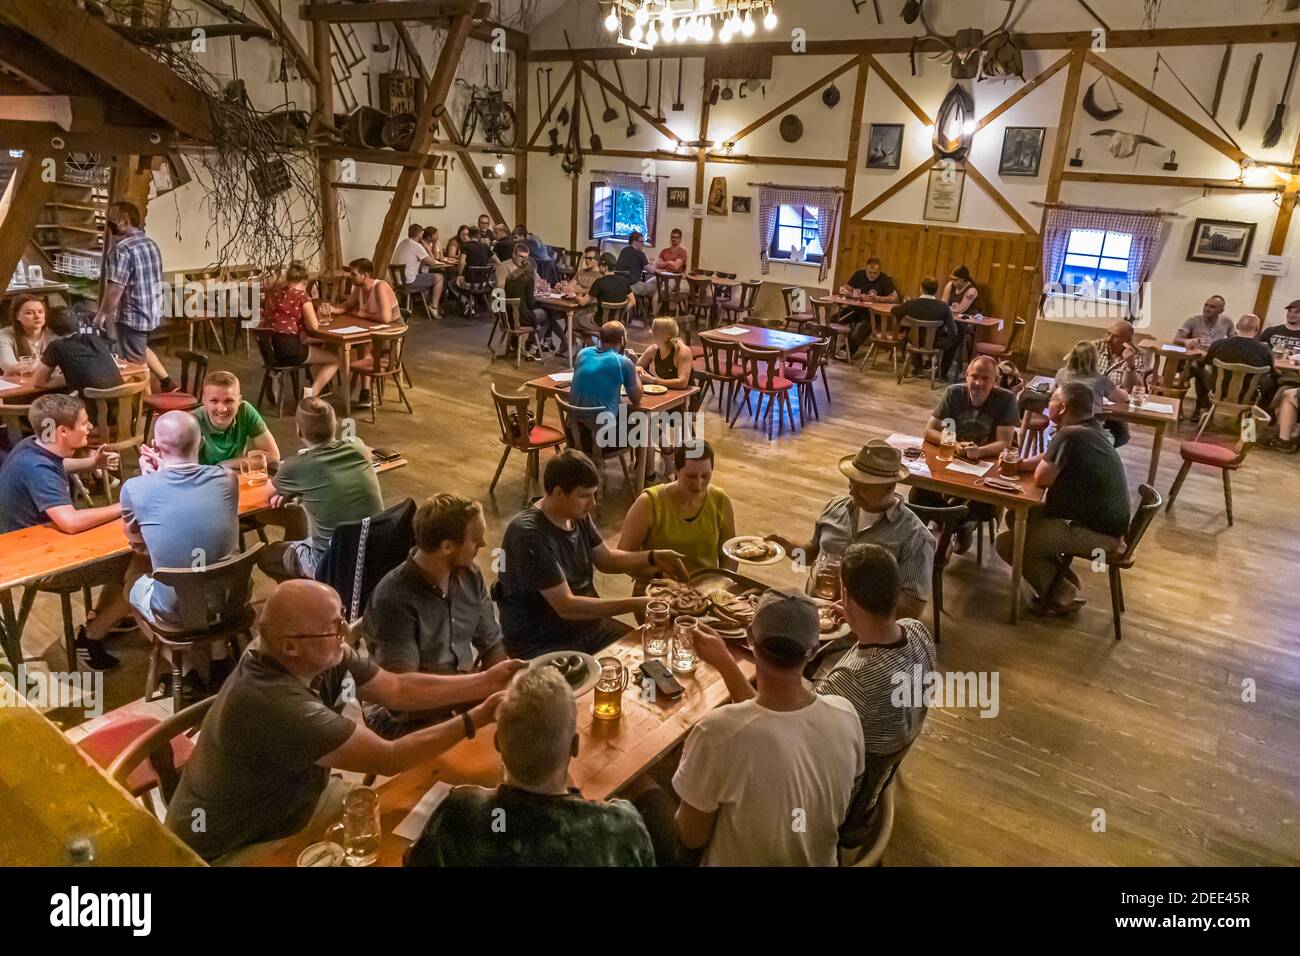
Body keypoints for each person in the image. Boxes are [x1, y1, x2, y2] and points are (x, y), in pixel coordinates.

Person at [164, 579, 526, 863]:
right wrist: (477, 717)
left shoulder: (318, 653)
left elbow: (397, 689)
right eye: (334, 627)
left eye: (341, 618)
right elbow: (389, 758)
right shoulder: (275, 702)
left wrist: (485, 681)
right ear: (290, 646)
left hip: (302, 803)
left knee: (428, 834)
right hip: (235, 846)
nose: (346, 632)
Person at [696, 543, 935, 820]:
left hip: (829, 804)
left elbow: (773, 727)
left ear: (845, 594)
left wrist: (724, 661)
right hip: (873, 781)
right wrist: (858, 620)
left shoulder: (850, 681)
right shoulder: (918, 632)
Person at [668, 589, 865, 866]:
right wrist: (724, 661)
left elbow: (691, 838)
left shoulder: (715, 733)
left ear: (749, 637)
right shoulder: (846, 715)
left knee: (645, 793)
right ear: (813, 650)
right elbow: (776, 724)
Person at [406, 665, 655, 866]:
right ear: (575, 746)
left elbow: (412, 859)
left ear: (497, 743)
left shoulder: (459, 814)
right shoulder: (621, 827)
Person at [492, 450, 687, 659]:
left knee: (653, 656)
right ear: (558, 492)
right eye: (585, 495)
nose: (592, 502)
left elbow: (606, 560)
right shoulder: (527, 534)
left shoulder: (574, 513)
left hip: (587, 628)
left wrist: (654, 556)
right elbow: (567, 607)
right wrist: (640, 603)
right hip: (543, 643)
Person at [0, 394, 129, 669]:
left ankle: (105, 617)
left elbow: (58, 463)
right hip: (42, 565)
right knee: (142, 561)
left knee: (129, 551)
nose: (90, 427)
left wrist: (92, 464)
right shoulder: (38, 470)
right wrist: (125, 505)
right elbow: (69, 522)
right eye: (83, 423)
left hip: (20, 546)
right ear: (61, 431)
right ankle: (91, 637)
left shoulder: (30, 445)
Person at [363, 494, 507, 732]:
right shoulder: (394, 600)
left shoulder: (470, 575)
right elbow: (402, 698)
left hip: (462, 693)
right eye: (475, 539)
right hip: (407, 717)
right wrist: (480, 687)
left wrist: (504, 686)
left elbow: (492, 644)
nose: (482, 544)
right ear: (447, 546)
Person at [122, 411, 239, 694]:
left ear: (156, 446)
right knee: (209, 568)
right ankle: (219, 656)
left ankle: (185, 668)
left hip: (175, 609)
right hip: (231, 598)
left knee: (130, 582)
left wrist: (153, 476)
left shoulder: (135, 488)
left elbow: (137, 543)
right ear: (200, 443)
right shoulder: (227, 479)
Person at [996, 380, 1130, 616]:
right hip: (1109, 526)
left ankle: (1061, 594)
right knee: (1017, 517)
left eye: (1052, 400)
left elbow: (1042, 479)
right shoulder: (1091, 429)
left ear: (1064, 407)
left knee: (1009, 543)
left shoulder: (1069, 434)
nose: (1048, 405)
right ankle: (1061, 580)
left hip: (1097, 533)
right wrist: (1020, 465)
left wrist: (1025, 468)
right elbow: (1049, 458)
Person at [766, 440, 934, 620]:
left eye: (863, 486)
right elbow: (813, 554)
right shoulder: (835, 507)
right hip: (814, 616)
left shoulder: (915, 536)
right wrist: (788, 548)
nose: (852, 492)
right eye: (851, 483)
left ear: (890, 486)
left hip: (862, 634)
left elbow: (911, 610)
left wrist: (855, 583)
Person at [257, 397, 381, 580]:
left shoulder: (295, 467)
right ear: (335, 425)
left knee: (267, 556)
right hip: (373, 553)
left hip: (329, 562)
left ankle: (300, 601)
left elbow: (266, 494)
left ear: (299, 432)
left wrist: (293, 490)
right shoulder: (358, 447)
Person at [913, 355, 1018, 550]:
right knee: (917, 492)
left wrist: (979, 451)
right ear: (967, 376)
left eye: (985, 378)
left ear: (995, 381)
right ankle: (958, 524)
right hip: (952, 461)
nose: (978, 383)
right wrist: (954, 445)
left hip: (986, 468)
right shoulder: (954, 393)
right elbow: (929, 431)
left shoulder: (1006, 399)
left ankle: (949, 522)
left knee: (986, 504)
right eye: (974, 376)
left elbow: (1004, 442)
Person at [618, 441, 737, 581]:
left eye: (705, 476)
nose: (698, 485)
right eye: (691, 476)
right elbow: (622, 559)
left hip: (705, 590)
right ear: (675, 469)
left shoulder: (720, 500)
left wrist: (722, 584)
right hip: (657, 590)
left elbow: (730, 555)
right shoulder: (649, 503)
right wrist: (658, 575)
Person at [91, 201, 176, 391]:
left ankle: (144, 404)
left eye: (112, 219)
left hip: (133, 315)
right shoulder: (150, 244)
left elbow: (116, 287)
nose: (108, 223)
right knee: (140, 349)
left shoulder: (123, 249)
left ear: (124, 220)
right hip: (151, 311)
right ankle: (167, 383)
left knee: (135, 366)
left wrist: (102, 314)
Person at [258, 261, 338, 398]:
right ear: (305, 282)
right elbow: (314, 326)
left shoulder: (275, 293)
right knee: (335, 360)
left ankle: (275, 374)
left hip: (270, 350)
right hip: (289, 350)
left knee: (314, 346)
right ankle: (312, 393)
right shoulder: (301, 296)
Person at [1191, 312, 1274, 414]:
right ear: (1257, 329)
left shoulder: (1219, 344)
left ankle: (1202, 408)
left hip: (1219, 392)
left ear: (1237, 326)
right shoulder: (1264, 350)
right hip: (1248, 395)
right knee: (1273, 381)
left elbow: (1204, 363)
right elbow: (1274, 373)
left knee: (1197, 367)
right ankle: (1262, 413)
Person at [194, 371, 280, 469]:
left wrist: (224, 465)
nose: (222, 409)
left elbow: (273, 455)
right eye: (214, 401)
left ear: (239, 400)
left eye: (228, 401)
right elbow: (182, 471)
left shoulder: (245, 411)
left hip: (235, 478)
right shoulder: (190, 422)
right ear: (204, 400)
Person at [572, 320, 642, 435]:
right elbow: (637, 398)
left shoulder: (582, 353)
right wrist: (633, 366)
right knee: (646, 424)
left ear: (600, 337)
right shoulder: (623, 362)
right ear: (622, 340)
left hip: (574, 432)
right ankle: (668, 451)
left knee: (622, 410)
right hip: (602, 437)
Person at [33, 307, 123, 395]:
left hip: (90, 406)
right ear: (79, 324)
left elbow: (38, 382)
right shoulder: (94, 339)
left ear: (49, 330)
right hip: (122, 401)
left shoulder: (57, 347)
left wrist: (72, 378)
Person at [889, 276, 959, 374]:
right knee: (952, 338)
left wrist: (902, 305)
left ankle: (918, 368)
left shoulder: (911, 304)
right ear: (936, 290)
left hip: (915, 341)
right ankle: (940, 371)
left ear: (921, 288)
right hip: (935, 342)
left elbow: (895, 311)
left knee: (914, 336)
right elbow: (953, 330)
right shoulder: (943, 307)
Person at [1095, 319, 1148, 448]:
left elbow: (1131, 389)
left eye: (1115, 337)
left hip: (1114, 409)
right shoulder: (1096, 346)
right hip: (1089, 404)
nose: (1108, 339)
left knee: (1121, 435)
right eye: (1108, 333)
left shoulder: (1137, 355)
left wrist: (1130, 364)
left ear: (1127, 341)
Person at [503, 243, 561, 358]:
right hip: (522, 317)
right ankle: (534, 348)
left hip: (508, 317)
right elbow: (530, 304)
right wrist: (538, 302)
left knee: (542, 314)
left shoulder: (509, 278)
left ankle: (531, 345)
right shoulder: (527, 279)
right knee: (548, 315)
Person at [1053, 339, 1129, 416]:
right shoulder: (1101, 381)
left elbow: (1054, 394)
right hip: (1090, 423)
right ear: (1095, 358)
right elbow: (1123, 399)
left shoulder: (1061, 373)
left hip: (1065, 421)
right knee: (1120, 425)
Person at [394, 224, 444, 318]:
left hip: (398, 282)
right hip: (410, 282)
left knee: (426, 276)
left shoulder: (403, 242)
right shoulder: (417, 246)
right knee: (440, 277)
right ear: (420, 234)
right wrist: (427, 248)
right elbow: (432, 262)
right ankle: (434, 306)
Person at [0, 294, 57, 374]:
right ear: (17, 316)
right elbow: (9, 367)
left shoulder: (54, 333)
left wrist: (30, 365)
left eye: (40, 312)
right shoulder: (4, 335)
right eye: (29, 313)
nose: (37, 316)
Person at [634, 317, 693, 390]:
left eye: (654, 329)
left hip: (686, 396)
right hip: (666, 392)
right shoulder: (654, 349)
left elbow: (682, 383)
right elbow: (636, 368)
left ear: (665, 334)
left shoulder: (682, 351)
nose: (650, 332)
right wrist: (635, 367)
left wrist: (653, 380)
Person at [338, 257, 401, 324]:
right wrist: (332, 309)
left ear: (364, 276)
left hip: (393, 326)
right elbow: (347, 306)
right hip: (374, 324)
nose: (351, 276)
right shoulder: (359, 287)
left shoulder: (380, 286)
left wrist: (364, 315)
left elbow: (385, 319)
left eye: (354, 274)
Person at [581, 251, 636, 318]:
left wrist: (574, 295)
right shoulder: (624, 280)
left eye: (599, 265)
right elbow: (633, 301)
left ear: (606, 267)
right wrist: (621, 313)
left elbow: (583, 302)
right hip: (618, 323)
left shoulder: (599, 282)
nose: (598, 267)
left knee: (576, 320)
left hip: (600, 323)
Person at [615, 231, 654, 304]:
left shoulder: (624, 250)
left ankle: (640, 309)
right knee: (655, 288)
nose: (643, 244)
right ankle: (653, 313)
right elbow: (651, 270)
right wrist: (657, 265)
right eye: (642, 242)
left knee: (645, 283)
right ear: (635, 242)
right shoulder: (640, 254)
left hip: (619, 285)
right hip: (632, 286)